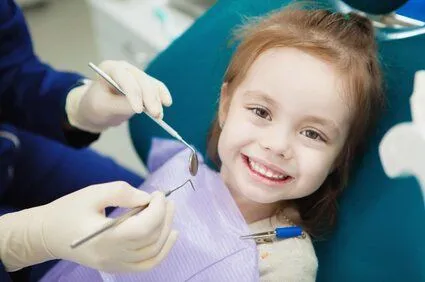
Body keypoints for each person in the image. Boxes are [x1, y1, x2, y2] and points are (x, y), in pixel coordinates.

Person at [41, 6, 386, 282]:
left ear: (340, 157)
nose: (277, 145)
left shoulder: (285, 264)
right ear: (225, 106)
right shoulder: (177, 167)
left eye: (313, 134)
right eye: (261, 111)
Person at [0, 1, 178, 281]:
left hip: (11, 150)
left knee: (141, 200)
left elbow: (11, 71)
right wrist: (22, 239)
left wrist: (76, 104)